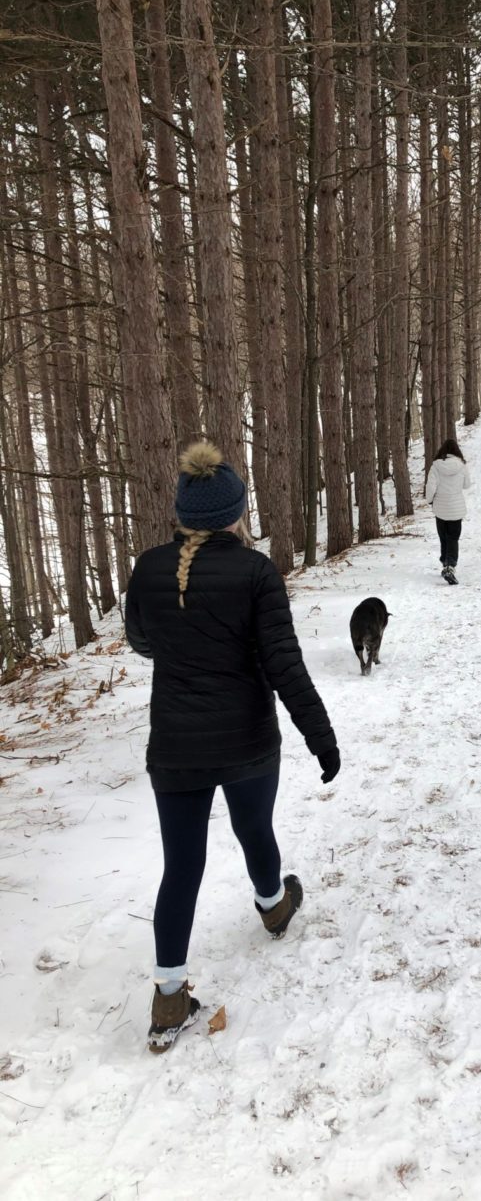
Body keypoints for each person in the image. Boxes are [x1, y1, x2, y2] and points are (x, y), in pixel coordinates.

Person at [125, 441, 339, 1053]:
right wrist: (321, 738)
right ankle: (273, 906)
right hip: (247, 740)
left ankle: (169, 998)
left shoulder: (149, 568)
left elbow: (142, 641)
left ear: (183, 515)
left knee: (182, 866)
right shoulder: (256, 572)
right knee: (255, 830)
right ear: (237, 514)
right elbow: (284, 665)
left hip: (176, 746)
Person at [425, 438, 471, 585]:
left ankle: (445, 562)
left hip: (440, 508)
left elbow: (431, 486)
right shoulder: (461, 466)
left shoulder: (436, 466)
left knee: (443, 537)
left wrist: (429, 500)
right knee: (453, 538)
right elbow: (467, 485)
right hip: (456, 508)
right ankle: (450, 565)